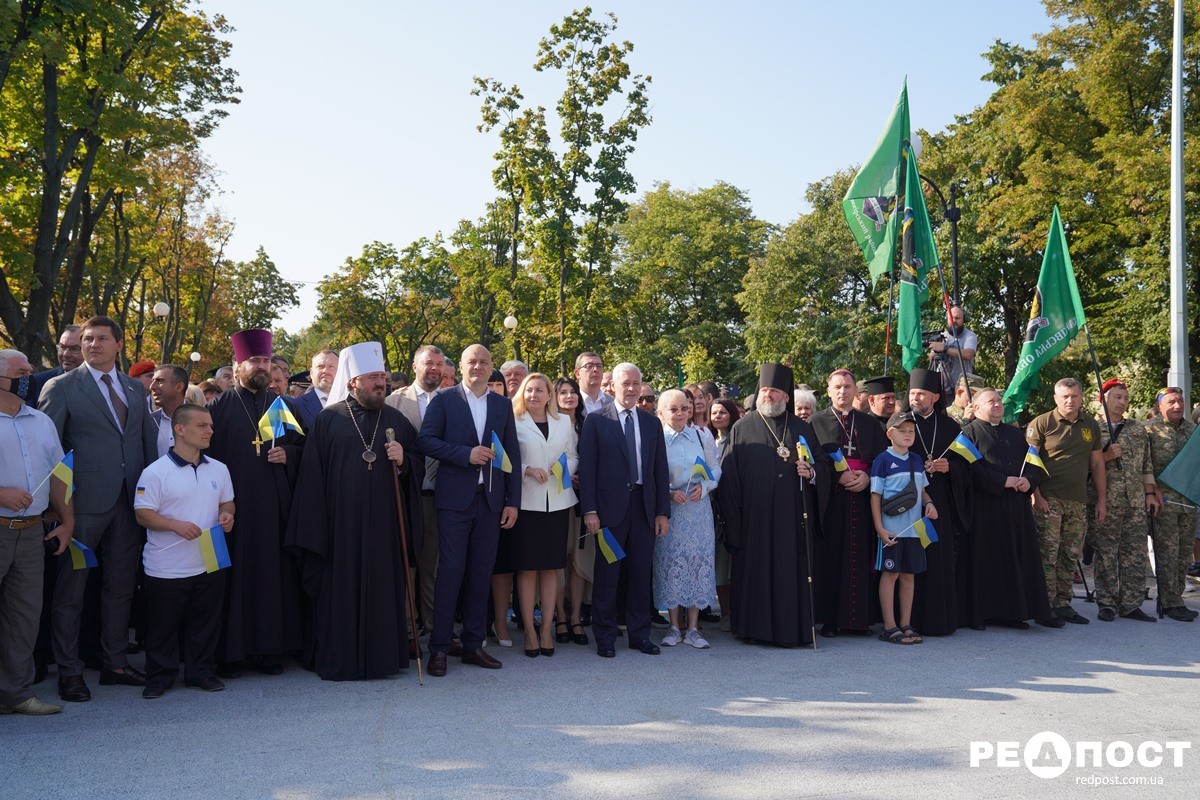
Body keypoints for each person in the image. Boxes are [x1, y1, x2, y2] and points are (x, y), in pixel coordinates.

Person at [287, 342, 424, 680]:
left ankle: (383, 659)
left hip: (384, 529)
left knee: (382, 588)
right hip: (340, 528)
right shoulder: (328, 420)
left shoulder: (396, 419)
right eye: (374, 377)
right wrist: (318, 528)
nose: (382, 383)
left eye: (384, 377)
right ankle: (341, 659)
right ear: (352, 382)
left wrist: (404, 461)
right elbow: (311, 480)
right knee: (340, 591)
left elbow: (418, 465)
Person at [39, 316, 158, 702]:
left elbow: (144, 445)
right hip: (81, 508)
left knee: (121, 587)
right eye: (87, 339)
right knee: (71, 592)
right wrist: (56, 508)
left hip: (128, 505)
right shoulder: (61, 388)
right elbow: (50, 454)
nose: (92, 345)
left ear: (119, 345)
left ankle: (115, 664)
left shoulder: (133, 390)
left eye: (101, 339)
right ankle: (70, 672)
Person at [205, 328, 305, 677]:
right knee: (231, 581)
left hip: (274, 509)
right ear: (238, 365)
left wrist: (289, 455)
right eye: (254, 361)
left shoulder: (283, 406)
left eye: (265, 360)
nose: (261, 366)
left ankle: (268, 651)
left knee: (272, 577)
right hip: (231, 509)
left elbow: (307, 451)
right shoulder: (216, 408)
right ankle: (231, 654)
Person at [418, 344, 521, 677]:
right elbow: (426, 441)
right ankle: (440, 647)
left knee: (481, 573)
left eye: (484, 362)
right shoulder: (445, 400)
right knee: (451, 572)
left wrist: (512, 501)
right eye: (472, 361)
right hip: (454, 501)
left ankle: (474, 645)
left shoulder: (502, 405)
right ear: (460, 366)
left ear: (492, 368)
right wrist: (466, 454)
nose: (478, 366)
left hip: (490, 502)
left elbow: (513, 457)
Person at [717, 364, 831, 647]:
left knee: (788, 571)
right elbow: (729, 477)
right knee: (756, 569)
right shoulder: (742, 427)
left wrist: (813, 472)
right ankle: (755, 629)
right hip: (753, 519)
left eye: (775, 391)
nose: (769, 396)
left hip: (792, 518)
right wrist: (734, 521)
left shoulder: (803, 428)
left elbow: (825, 465)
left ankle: (791, 629)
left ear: (786, 397)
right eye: (765, 391)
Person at [133, 404, 235, 698]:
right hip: (167, 565)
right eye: (202, 426)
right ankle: (160, 677)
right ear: (180, 429)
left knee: (205, 622)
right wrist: (175, 525)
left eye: (211, 426)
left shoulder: (219, 468)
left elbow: (227, 502)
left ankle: (200, 672)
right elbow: (142, 514)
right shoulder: (155, 472)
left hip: (210, 559)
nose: (210, 431)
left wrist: (228, 516)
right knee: (163, 626)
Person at [578, 362, 670, 657]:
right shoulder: (596, 421)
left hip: (643, 508)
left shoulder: (651, 422)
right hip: (608, 510)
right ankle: (605, 636)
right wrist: (589, 510)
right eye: (625, 383)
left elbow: (659, 470)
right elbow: (588, 470)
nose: (631, 389)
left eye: (636, 383)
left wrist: (661, 512)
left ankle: (639, 634)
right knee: (608, 574)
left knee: (641, 573)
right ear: (613, 386)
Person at [0, 349, 73, 715]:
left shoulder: (40, 422)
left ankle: (15, 693)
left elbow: (59, 474)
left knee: (24, 616)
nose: (30, 375)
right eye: (21, 371)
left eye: (30, 369)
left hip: (31, 532)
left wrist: (67, 520)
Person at [960, 388, 1060, 629]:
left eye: (999, 401)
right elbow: (968, 469)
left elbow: (1033, 463)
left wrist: (1029, 480)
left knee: (1017, 558)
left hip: (1016, 507)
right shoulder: (966, 435)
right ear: (975, 408)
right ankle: (984, 614)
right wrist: (1000, 481)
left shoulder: (1015, 434)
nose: (997, 405)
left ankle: (1015, 613)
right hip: (986, 508)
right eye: (990, 401)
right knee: (988, 561)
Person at [809, 369, 888, 637]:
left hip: (864, 501)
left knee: (862, 556)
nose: (843, 391)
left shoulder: (870, 424)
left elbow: (881, 460)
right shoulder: (814, 423)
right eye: (837, 387)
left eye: (847, 387)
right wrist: (836, 478)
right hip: (831, 502)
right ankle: (830, 620)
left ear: (857, 392)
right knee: (831, 558)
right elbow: (812, 463)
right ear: (829, 391)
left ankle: (859, 619)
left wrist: (867, 477)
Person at [1027, 377, 1106, 625]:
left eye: (1074, 396)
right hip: (1048, 500)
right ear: (1056, 398)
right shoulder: (1042, 423)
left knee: (1070, 555)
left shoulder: (1090, 425)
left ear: (1081, 398)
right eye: (1065, 397)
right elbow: (1030, 463)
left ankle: (1063, 604)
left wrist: (1102, 500)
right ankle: (1045, 606)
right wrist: (1035, 495)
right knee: (1047, 555)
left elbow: (1097, 464)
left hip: (1078, 501)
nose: (1070, 401)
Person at [510, 373, 577, 657]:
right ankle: (529, 631)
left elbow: (574, 456)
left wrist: (562, 469)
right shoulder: (513, 422)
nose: (534, 395)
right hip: (527, 503)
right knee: (526, 569)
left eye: (540, 390)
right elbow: (506, 457)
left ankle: (547, 629)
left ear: (550, 395)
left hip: (558, 502)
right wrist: (526, 469)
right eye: (529, 390)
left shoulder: (564, 422)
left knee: (551, 568)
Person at [1083, 379, 1158, 622]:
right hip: (1105, 501)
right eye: (1117, 397)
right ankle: (1106, 603)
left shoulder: (1137, 428)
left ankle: (1131, 604)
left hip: (1134, 501)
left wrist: (1149, 494)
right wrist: (1105, 456)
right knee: (1106, 553)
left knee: (1135, 553)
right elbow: (1081, 467)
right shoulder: (1090, 428)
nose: (1123, 402)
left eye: (1125, 398)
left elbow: (1146, 464)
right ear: (1102, 399)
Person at [905, 368, 970, 636]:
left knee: (936, 556)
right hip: (908, 499)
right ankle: (906, 619)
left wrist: (949, 467)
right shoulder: (900, 423)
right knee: (909, 557)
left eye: (921, 394)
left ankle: (937, 619)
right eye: (911, 393)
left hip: (939, 500)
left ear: (934, 397)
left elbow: (968, 466)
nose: (915, 398)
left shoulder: (951, 427)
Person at [385, 344, 445, 633]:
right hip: (406, 493)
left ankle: (435, 626)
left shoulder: (452, 400)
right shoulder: (394, 402)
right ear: (415, 366)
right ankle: (408, 627)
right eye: (428, 363)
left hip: (442, 496)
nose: (433, 368)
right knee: (407, 561)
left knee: (434, 564)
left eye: (438, 364)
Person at [655, 389, 719, 649]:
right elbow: (651, 473)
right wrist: (668, 493)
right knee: (670, 563)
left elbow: (716, 468)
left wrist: (703, 488)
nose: (679, 413)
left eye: (684, 408)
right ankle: (673, 626)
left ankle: (693, 628)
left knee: (696, 562)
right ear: (662, 413)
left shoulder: (702, 436)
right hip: (671, 510)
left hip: (697, 508)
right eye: (673, 409)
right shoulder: (657, 438)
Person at [871, 411, 937, 645]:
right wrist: (880, 528)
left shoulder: (917, 460)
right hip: (892, 530)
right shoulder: (882, 460)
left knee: (909, 576)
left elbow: (922, 491)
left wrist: (929, 504)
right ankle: (889, 626)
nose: (908, 435)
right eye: (902, 431)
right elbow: (875, 496)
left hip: (914, 529)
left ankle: (905, 623)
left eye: (911, 431)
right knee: (890, 574)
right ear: (890, 434)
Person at [1145, 387, 1199, 621]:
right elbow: (1144, 465)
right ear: (1159, 406)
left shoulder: (1192, 430)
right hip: (1163, 503)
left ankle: (1175, 598)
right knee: (1167, 553)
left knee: (1184, 554)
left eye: (1180, 401)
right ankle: (1169, 602)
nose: (1177, 406)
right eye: (1171, 402)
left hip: (1189, 502)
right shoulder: (1148, 430)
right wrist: (1151, 491)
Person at [554, 376, 592, 645]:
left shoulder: (588, 424)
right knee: (557, 561)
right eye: (563, 392)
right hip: (555, 499)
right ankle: (560, 618)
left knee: (578, 563)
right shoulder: (549, 424)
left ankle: (576, 617)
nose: (569, 396)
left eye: (573, 392)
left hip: (583, 501)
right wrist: (569, 475)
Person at [708, 398, 741, 632]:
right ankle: (726, 612)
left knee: (733, 563)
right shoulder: (706, 440)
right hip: (712, 507)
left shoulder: (739, 440)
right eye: (714, 412)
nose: (718, 416)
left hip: (735, 507)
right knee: (720, 564)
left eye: (723, 412)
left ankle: (738, 609)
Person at [28, 325, 83, 407]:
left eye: (74, 348)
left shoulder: (101, 382)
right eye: (62, 347)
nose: (66, 354)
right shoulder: (34, 383)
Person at [928, 306, 977, 396]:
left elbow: (968, 354)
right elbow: (931, 359)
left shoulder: (970, 336)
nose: (954, 321)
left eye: (957, 318)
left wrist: (945, 349)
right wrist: (934, 351)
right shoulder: (942, 335)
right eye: (951, 318)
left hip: (961, 391)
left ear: (964, 319)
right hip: (941, 390)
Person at [148, 365, 190, 458]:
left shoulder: (203, 419)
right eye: (152, 381)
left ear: (179, 387)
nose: (152, 387)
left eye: (159, 381)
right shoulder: (148, 422)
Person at [293, 349, 338, 430]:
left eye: (331, 367)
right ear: (311, 372)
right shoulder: (296, 407)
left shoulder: (352, 404)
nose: (325, 371)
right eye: (320, 367)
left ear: (340, 371)